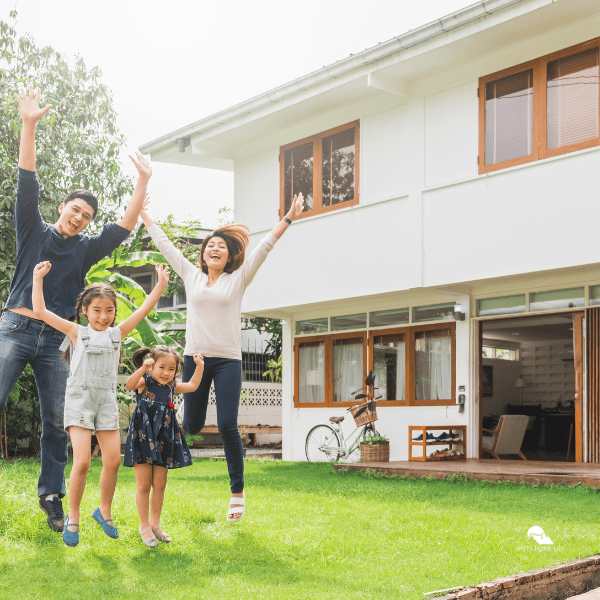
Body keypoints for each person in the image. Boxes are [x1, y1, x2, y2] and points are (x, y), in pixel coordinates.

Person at [0, 86, 151, 533]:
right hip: (15, 326)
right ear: (62, 207)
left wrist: (142, 183)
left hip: (57, 341)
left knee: (55, 420)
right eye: (75, 209)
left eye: (87, 215)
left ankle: (51, 498)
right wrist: (28, 124)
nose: (80, 218)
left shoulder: (86, 250)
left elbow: (124, 226)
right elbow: (27, 179)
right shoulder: (32, 229)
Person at [139, 192, 304, 522]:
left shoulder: (238, 279)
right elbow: (167, 247)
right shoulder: (191, 275)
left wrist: (287, 218)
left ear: (229, 257)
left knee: (228, 423)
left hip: (228, 360)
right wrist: (144, 215)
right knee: (192, 424)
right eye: (209, 245)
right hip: (196, 359)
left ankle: (237, 492)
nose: (214, 249)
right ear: (203, 253)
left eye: (221, 247)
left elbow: (264, 249)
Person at [32, 261, 170, 547]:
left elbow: (144, 309)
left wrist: (160, 284)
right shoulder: (76, 332)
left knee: (113, 460)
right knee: (81, 462)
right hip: (80, 400)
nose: (104, 317)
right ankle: (73, 515)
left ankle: (103, 511)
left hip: (106, 400)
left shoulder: (117, 335)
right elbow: (41, 312)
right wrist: (38, 279)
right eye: (97, 310)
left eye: (109, 311)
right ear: (85, 310)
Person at [124, 346, 204, 547]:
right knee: (144, 484)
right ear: (152, 366)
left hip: (164, 437)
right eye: (161, 367)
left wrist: (200, 366)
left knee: (159, 485)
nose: (166, 373)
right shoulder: (146, 381)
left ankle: (156, 524)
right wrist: (143, 369)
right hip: (143, 435)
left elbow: (193, 385)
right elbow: (128, 384)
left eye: (171, 369)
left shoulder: (172, 386)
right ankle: (144, 526)